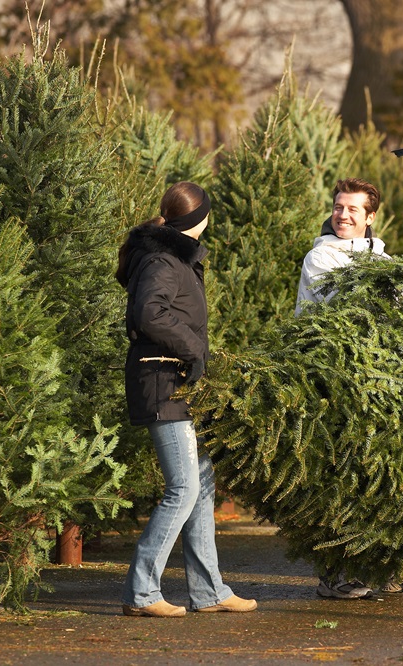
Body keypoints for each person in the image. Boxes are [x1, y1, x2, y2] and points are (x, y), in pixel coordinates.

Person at [295, 177, 403, 599]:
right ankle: (336, 574)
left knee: (392, 473)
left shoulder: (385, 260)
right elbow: (349, 303)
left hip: (380, 382)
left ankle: (398, 567)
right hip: (332, 379)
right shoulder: (320, 258)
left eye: (353, 210)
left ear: (370, 217)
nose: (343, 215)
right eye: (339, 207)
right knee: (341, 476)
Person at [116, 182, 256, 617]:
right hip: (161, 379)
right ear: (203, 219)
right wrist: (193, 350)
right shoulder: (163, 259)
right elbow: (149, 312)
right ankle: (142, 593)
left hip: (174, 380)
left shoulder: (177, 257)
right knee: (183, 488)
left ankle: (209, 590)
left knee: (202, 485)